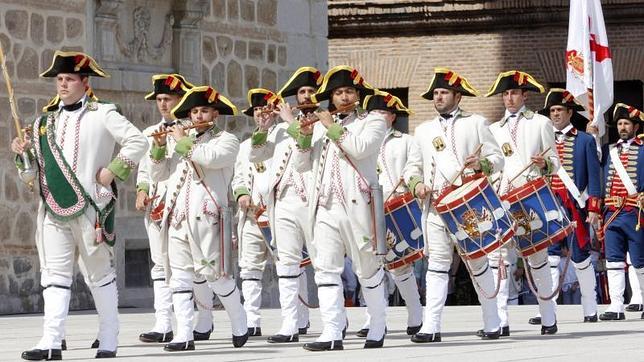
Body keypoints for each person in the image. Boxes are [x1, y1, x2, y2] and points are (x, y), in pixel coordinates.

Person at [12, 50, 147, 360]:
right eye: (59, 79)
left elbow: (138, 142)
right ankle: (51, 342)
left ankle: (110, 336)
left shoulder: (104, 113)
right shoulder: (44, 122)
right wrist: (22, 154)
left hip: (91, 208)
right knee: (54, 276)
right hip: (52, 209)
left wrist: (113, 171)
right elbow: (32, 175)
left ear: (85, 83)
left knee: (98, 274)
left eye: (69, 79)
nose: (62, 84)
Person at [287, 65, 388, 351]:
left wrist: (330, 125)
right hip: (324, 206)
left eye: (348, 91)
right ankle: (332, 332)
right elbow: (301, 165)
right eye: (338, 93)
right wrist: (304, 137)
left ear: (357, 95)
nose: (343, 97)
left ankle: (377, 324)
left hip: (358, 205)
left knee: (367, 269)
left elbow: (360, 148)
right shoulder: (319, 126)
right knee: (325, 270)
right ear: (331, 97)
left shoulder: (373, 121)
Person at [148, 85, 248, 351]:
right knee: (179, 278)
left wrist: (181, 141)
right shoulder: (180, 140)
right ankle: (184, 334)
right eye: (194, 111)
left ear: (215, 114)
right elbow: (159, 176)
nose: (198, 116)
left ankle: (239, 318)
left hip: (208, 218)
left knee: (216, 277)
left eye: (204, 111)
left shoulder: (227, 140)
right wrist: (159, 149)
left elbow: (210, 159)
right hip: (177, 218)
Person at [411, 68, 505, 343]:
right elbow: (413, 167)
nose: (438, 97)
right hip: (436, 206)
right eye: (436, 94)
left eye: (443, 93)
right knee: (437, 265)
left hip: (467, 205)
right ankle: (431, 327)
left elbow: (497, 159)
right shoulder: (423, 130)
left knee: (477, 264)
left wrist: (482, 164)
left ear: (457, 96)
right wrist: (416, 184)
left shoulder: (476, 123)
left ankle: (492, 322)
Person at [135, 74, 216, 343]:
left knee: (198, 266)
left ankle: (204, 319)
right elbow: (145, 169)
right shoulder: (150, 133)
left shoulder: (192, 131)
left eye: (167, 99)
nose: (163, 104)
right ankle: (163, 323)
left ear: (181, 100)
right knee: (160, 266)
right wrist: (142, 189)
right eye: (159, 99)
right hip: (159, 206)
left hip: (187, 204)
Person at [249, 66, 323, 342]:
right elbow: (256, 156)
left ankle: (334, 322)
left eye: (310, 91)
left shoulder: (324, 124)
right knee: (287, 264)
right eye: (301, 92)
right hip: (282, 201)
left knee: (324, 264)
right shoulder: (279, 129)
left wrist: (289, 119)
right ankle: (290, 324)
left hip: (314, 201)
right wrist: (265, 127)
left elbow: (306, 146)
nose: (305, 96)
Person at [486, 70, 560, 335]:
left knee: (537, 258)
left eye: (514, 93)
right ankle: (501, 321)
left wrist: (546, 163)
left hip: (530, 197)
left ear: (524, 95)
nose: (509, 98)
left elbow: (555, 162)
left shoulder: (540, 123)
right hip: (502, 199)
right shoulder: (493, 129)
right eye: (505, 94)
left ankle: (548, 318)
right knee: (500, 260)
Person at [527, 89, 601, 324]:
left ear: (570, 112)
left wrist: (593, 208)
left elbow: (594, 178)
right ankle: (546, 309)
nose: (555, 114)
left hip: (575, 206)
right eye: (552, 111)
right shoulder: (541, 142)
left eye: (559, 110)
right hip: (547, 205)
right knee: (549, 258)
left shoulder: (585, 140)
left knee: (580, 258)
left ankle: (590, 307)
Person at [354, 90, 423, 337]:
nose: (378, 117)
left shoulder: (406, 141)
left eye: (383, 112)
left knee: (400, 265)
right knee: (368, 266)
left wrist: (409, 180)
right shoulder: (360, 140)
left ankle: (415, 314)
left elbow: (414, 166)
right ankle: (373, 318)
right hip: (365, 209)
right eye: (373, 113)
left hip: (395, 205)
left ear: (393, 116)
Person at [232, 88, 282, 337]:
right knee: (249, 269)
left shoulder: (285, 138)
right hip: (252, 216)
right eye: (257, 111)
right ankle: (252, 320)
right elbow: (239, 176)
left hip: (278, 213)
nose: (261, 114)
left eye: (266, 110)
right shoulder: (245, 146)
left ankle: (297, 320)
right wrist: (241, 194)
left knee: (289, 267)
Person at [598, 103, 644, 321]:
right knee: (613, 261)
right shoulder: (609, 150)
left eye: (626, 123)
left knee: (640, 261)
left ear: (635, 126)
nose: (622, 127)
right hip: (612, 212)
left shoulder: (643, 149)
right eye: (619, 124)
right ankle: (616, 306)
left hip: (635, 212)